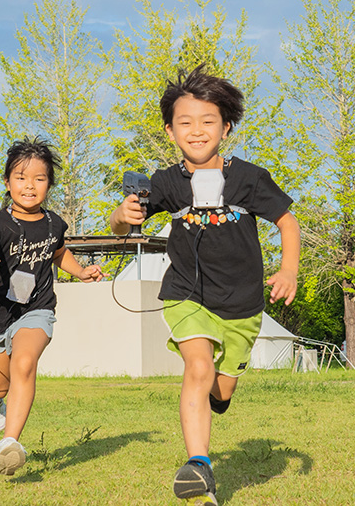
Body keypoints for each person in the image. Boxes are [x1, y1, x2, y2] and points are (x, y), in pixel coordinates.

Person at [110, 65, 300, 506]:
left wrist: (287, 269)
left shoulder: (249, 177)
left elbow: (287, 221)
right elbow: (120, 225)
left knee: (220, 387)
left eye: (207, 121)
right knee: (197, 368)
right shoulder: (165, 182)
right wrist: (124, 215)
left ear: (226, 126)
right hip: (186, 293)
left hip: (243, 302)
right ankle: (199, 466)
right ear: (170, 130)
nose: (197, 131)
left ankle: (221, 390)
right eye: (185, 123)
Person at [0, 138, 106, 475]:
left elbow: (57, 253)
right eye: (21, 177)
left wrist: (81, 271)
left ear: (49, 184)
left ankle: (9, 444)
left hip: (36, 309)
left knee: (25, 363)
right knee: (1, 385)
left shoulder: (54, 224)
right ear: (8, 182)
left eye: (39, 178)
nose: (30, 186)